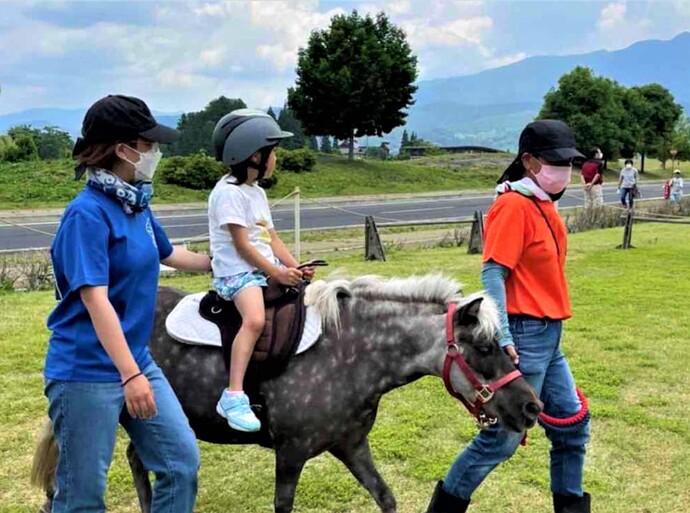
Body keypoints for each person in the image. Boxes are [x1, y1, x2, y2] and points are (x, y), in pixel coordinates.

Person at [45, 95, 212, 513]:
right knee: (82, 498)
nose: (154, 152)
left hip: (136, 362)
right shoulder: (87, 214)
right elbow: (95, 300)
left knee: (180, 463)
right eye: (148, 144)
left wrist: (232, 263)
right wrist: (130, 375)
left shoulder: (134, 203)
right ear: (123, 150)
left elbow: (170, 254)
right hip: (87, 372)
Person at [425, 120, 591, 513]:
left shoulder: (541, 203)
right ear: (530, 162)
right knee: (503, 438)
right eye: (556, 162)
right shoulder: (514, 205)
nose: (565, 170)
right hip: (525, 335)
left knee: (572, 425)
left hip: (549, 336)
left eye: (569, 162)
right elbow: (492, 272)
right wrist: (504, 337)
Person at [208, 109, 316, 432]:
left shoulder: (257, 193)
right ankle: (234, 394)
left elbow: (271, 239)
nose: (276, 159)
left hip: (259, 268)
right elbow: (243, 246)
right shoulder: (227, 193)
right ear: (255, 156)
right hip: (236, 272)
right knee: (254, 319)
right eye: (274, 153)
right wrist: (277, 273)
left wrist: (295, 266)